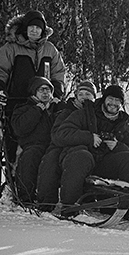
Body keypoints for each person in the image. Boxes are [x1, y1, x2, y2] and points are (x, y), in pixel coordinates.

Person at [0, 10, 66, 192]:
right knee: (15, 148)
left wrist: (57, 91)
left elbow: (59, 73)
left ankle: (46, 183)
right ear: (24, 28)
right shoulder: (11, 48)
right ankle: (15, 182)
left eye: (38, 28)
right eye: (31, 27)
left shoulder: (50, 50)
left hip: (46, 105)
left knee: (47, 143)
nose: (35, 31)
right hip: (16, 105)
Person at [52, 83, 129, 207]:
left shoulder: (123, 125)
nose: (113, 103)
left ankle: (125, 206)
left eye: (117, 100)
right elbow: (61, 134)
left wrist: (117, 146)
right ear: (104, 99)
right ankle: (69, 206)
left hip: (104, 164)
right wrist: (89, 137)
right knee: (81, 156)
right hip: (80, 161)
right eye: (110, 99)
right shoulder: (85, 114)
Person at [36, 79, 97, 207]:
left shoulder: (97, 113)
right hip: (62, 148)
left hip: (88, 151)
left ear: (94, 97)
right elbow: (58, 135)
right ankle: (48, 202)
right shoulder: (66, 112)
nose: (84, 98)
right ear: (76, 96)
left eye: (88, 94)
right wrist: (87, 137)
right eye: (81, 94)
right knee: (51, 161)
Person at [9, 76, 64, 205]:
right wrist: (37, 110)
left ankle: (50, 201)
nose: (45, 93)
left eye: (48, 90)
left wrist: (58, 107)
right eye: (41, 90)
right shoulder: (23, 109)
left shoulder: (57, 107)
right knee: (30, 157)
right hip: (32, 145)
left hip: (54, 145)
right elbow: (20, 129)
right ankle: (26, 197)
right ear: (34, 92)